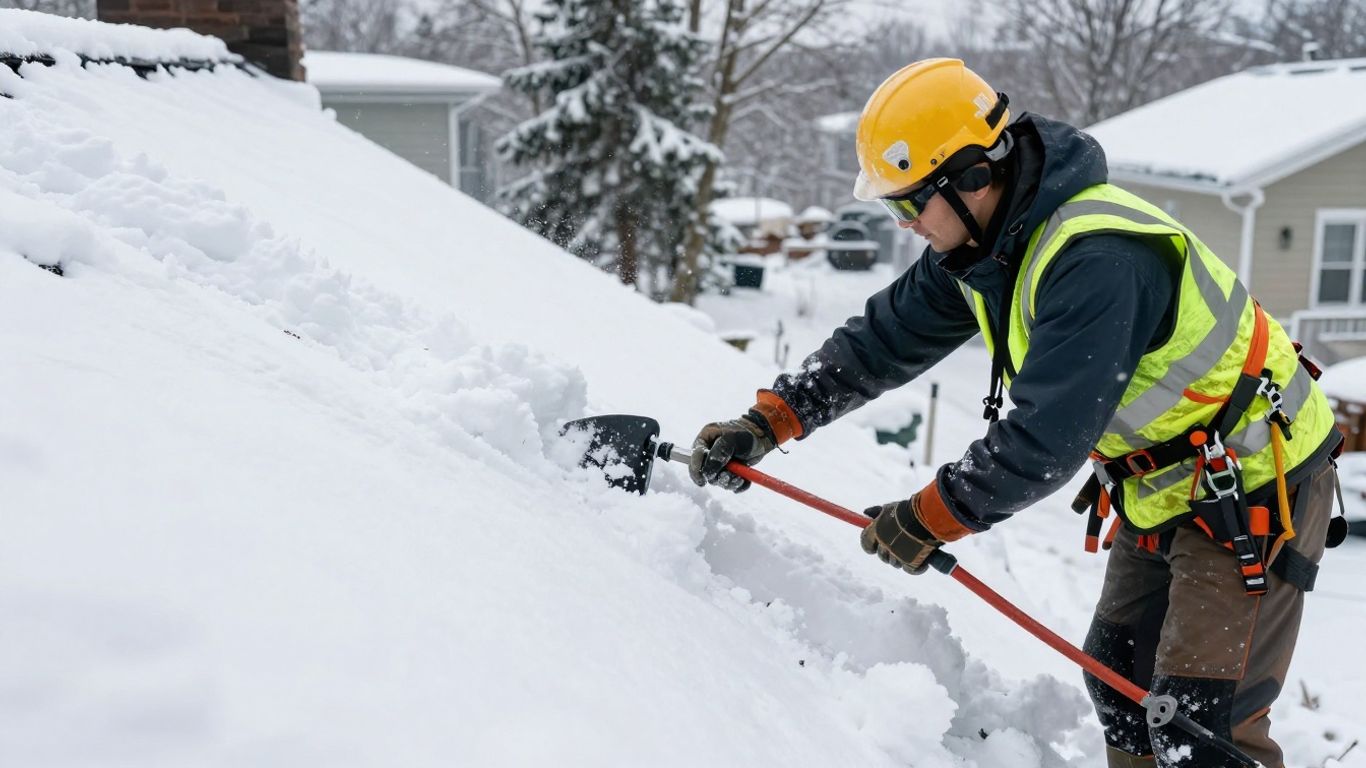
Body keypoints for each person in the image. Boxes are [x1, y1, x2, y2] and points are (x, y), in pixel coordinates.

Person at [688, 58, 1344, 768]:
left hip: (1253, 479)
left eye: (910, 203)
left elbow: (1046, 438)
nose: (905, 223)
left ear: (972, 175)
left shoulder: (1099, 259)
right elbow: (880, 341)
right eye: (892, 208)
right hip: (1163, 483)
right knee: (1121, 685)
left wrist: (933, 513)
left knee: (1200, 728)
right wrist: (770, 420)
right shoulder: (984, 249)